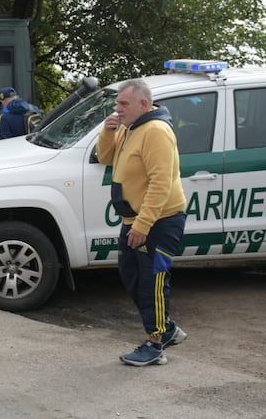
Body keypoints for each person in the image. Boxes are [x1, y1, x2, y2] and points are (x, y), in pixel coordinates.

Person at [97, 78, 188, 367]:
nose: (118, 108)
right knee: (131, 275)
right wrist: (107, 131)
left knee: (153, 281)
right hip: (133, 219)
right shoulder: (128, 128)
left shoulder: (156, 131)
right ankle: (167, 328)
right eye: (117, 103)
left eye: (123, 103)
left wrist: (143, 225)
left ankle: (156, 343)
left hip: (158, 221)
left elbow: (161, 183)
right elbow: (105, 158)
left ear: (144, 104)